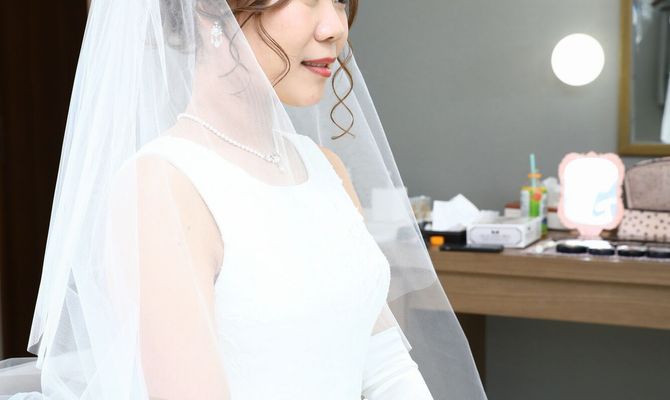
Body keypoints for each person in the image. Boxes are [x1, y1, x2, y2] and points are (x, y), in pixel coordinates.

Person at [0, 1, 488, 399]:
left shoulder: (324, 167)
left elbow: (384, 365)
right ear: (209, 13)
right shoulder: (163, 187)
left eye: (340, 0)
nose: (335, 27)